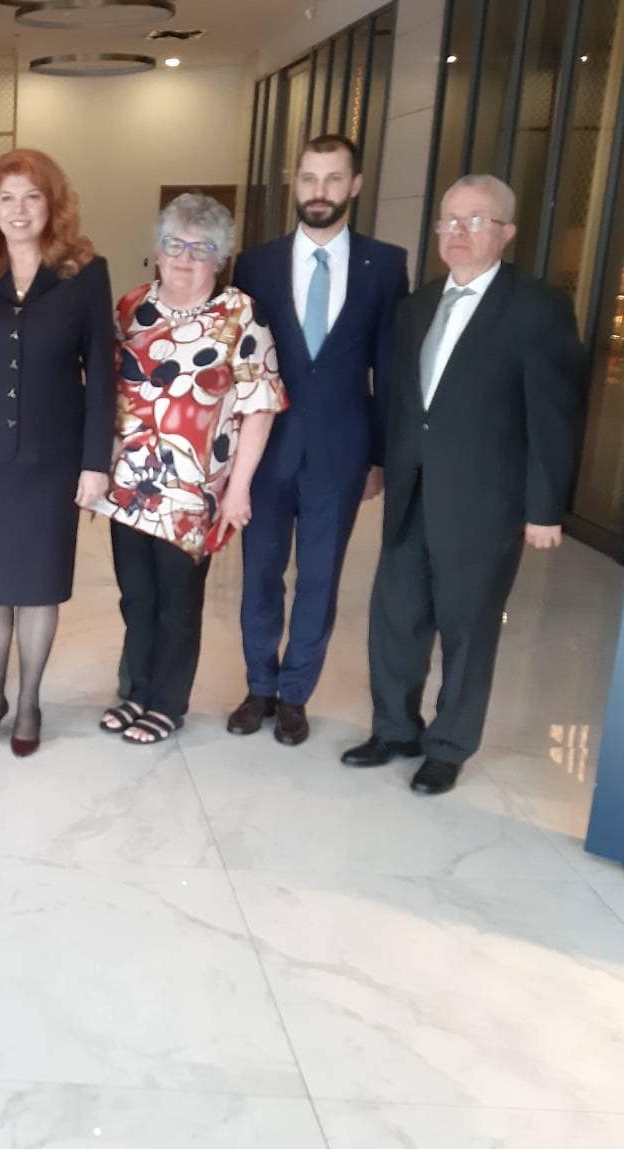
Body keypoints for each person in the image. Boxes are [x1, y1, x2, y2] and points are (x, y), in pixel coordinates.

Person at [343, 174, 583, 794]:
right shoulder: (417, 305)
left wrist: (545, 508)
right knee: (395, 617)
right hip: (412, 491)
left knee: (467, 627)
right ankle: (395, 729)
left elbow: (553, 415)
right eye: (448, 220)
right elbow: (402, 403)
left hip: (485, 501)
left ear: (507, 232)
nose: (457, 232)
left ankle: (449, 745)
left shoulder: (537, 308)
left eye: (475, 220)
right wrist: (380, 463)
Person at [0, 148, 114, 757]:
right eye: (7, 197)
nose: (19, 209)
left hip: (52, 461)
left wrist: (95, 463)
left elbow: (101, 379)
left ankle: (29, 700)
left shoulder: (86, 274)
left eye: (32, 196)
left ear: (52, 204)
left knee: (38, 587)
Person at [228, 134, 409, 746]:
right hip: (267, 448)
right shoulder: (256, 264)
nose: (319, 191)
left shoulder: (385, 265)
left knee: (320, 578)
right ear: (296, 183)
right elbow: (241, 365)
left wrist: (379, 456)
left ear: (354, 185)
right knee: (259, 572)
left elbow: (389, 368)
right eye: (309, 178)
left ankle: (295, 694)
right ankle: (259, 685)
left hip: (341, 451)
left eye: (333, 179)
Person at [93, 193, 286, 747]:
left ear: (219, 259)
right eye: (174, 244)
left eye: (201, 249)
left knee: (178, 604)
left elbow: (260, 406)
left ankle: (167, 703)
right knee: (136, 599)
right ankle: (135, 691)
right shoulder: (131, 307)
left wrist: (239, 490)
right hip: (128, 487)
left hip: (193, 493)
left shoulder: (240, 314)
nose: (184, 258)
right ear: (158, 250)